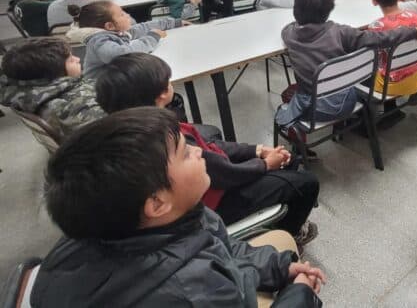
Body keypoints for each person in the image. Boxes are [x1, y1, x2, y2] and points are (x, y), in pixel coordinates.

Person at [31, 107, 326, 308]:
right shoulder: (194, 292)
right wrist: (299, 294)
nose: (199, 151)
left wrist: (279, 267)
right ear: (156, 202)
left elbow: (217, 245)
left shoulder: (112, 224)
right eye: (185, 154)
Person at [95, 53, 320, 243]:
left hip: (210, 186)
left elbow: (211, 148)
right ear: (162, 92)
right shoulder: (166, 139)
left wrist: (257, 150)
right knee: (307, 182)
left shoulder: (140, 124)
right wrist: (264, 164)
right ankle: (291, 234)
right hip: (213, 202)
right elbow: (225, 174)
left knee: (287, 161)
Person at [277, 0, 417, 129]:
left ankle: (298, 151)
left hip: (316, 109)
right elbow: (381, 38)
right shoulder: (342, 32)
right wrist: (413, 31)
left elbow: (289, 27)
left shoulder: (289, 34)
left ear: (296, 10)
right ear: (328, 10)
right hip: (348, 101)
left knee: (288, 94)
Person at [0, 38, 105, 136]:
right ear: (54, 75)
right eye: (71, 60)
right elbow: (111, 130)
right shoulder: (75, 107)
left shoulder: (24, 89)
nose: (77, 59)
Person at [66, 0, 182, 79]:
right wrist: (152, 37)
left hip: (118, 81)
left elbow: (142, 27)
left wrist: (174, 22)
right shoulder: (99, 40)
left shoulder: (116, 32)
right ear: (109, 26)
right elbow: (123, 55)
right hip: (101, 91)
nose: (127, 16)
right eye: (122, 14)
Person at [369, 0, 417, 97]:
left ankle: (387, 110)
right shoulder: (415, 17)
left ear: (374, 1)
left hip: (388, 85)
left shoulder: (376, 27)